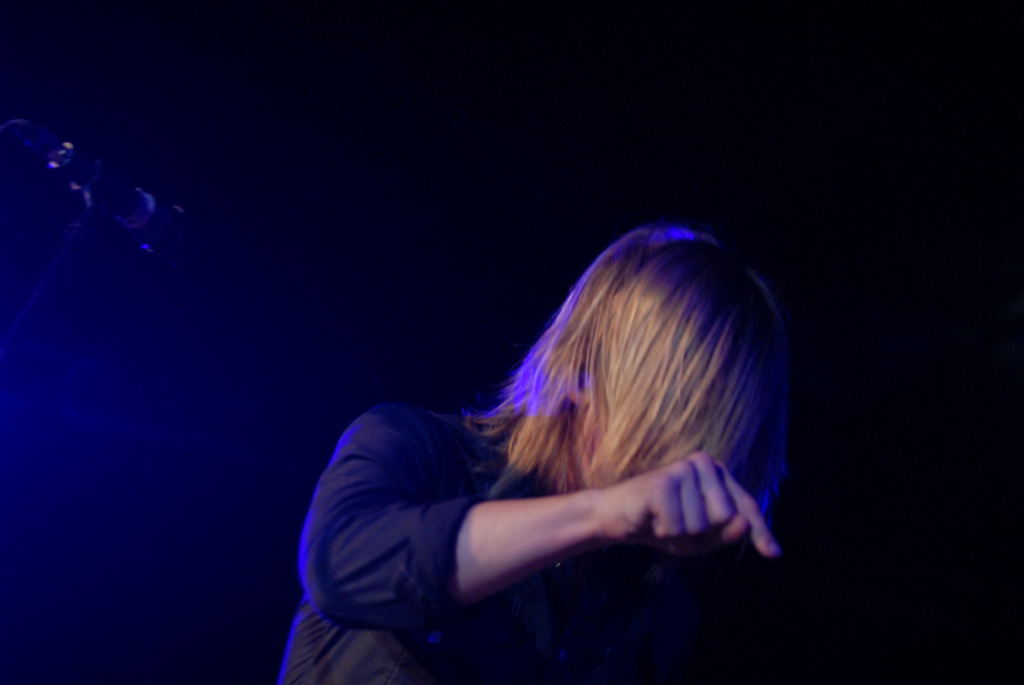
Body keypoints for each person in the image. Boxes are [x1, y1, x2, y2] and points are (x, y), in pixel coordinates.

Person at [278, 222, 789, 684]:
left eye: (723, 429)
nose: (694, 458)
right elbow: (341, 569)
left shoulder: (658, 614)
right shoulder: (415, 447)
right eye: (679, 408)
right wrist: (599, 514)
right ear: (583, 370)